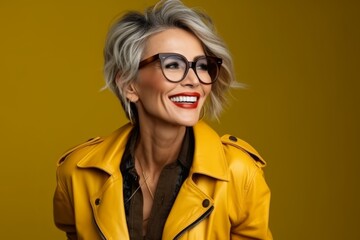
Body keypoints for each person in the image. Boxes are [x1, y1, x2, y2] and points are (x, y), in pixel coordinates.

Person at [53, 0, 272, 239]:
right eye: (173, 64)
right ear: (129, 84)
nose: (194, 80)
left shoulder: (239, 175)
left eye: (202, 66)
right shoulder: (77, 173)